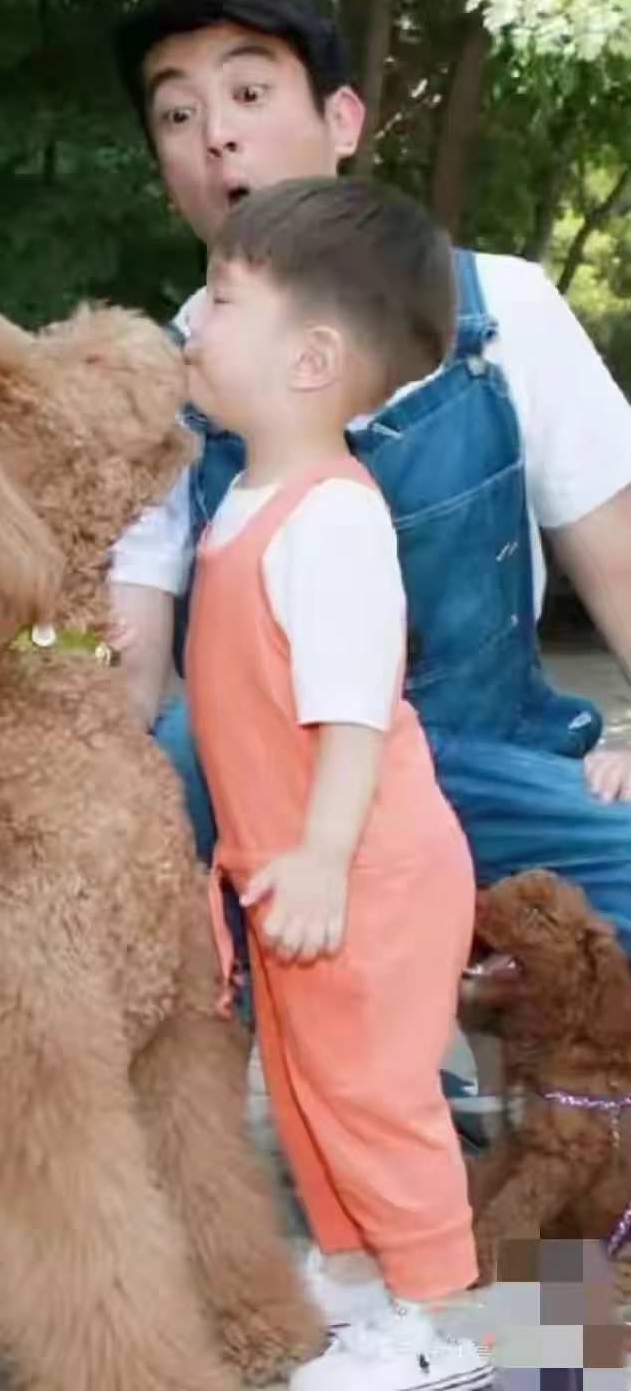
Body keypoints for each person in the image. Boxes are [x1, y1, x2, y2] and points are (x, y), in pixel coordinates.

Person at [107, 0, 631, 979]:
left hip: (483, 769)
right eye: (179, 113)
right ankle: (298, 1042)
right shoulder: (161, 377)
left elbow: (620, 567)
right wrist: (18, 638)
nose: (217, 133)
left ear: (341, 118)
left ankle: (496, 1040)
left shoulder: (502, 309)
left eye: (250, 95)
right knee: (166, 763)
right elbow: (130, 670)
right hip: (276, 790)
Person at [183, 173, 490, 1391]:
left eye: (218, 298)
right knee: (309, 1089)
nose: (192, 325)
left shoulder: (331, 518)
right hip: (292, 872)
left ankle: (442, 1320)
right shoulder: (244, 499)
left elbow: (354, 710)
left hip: (360, 867)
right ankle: (360, 1267)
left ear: (310, 358)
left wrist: (316, 853)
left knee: (373, 1091)